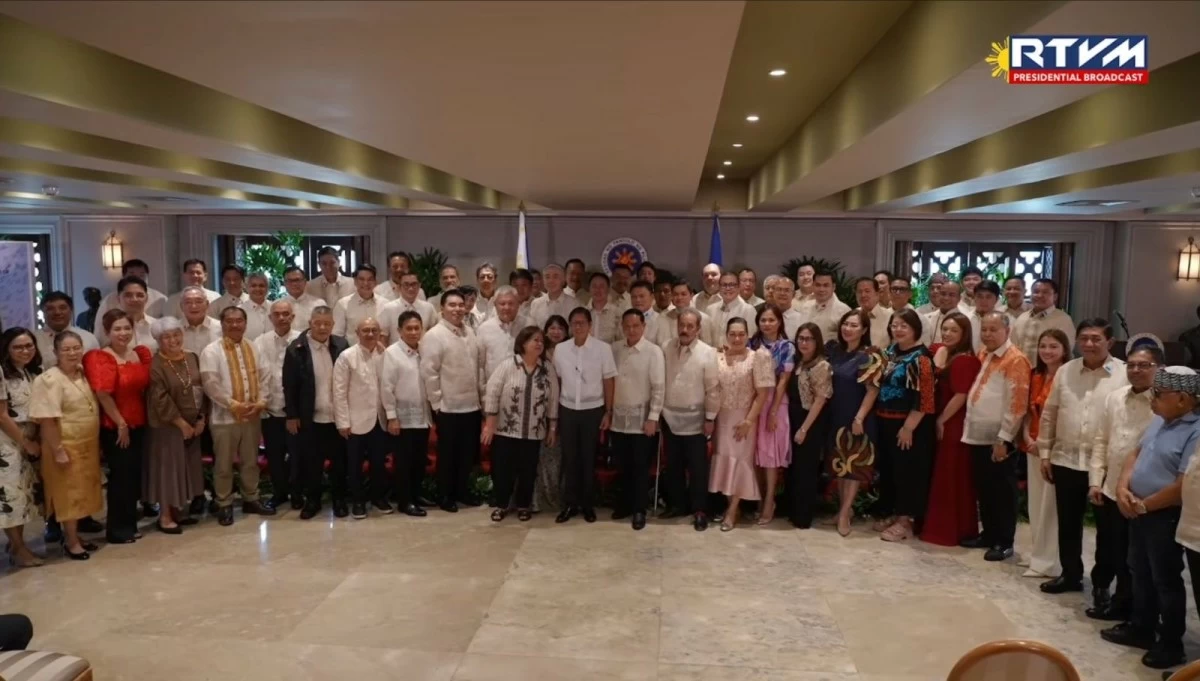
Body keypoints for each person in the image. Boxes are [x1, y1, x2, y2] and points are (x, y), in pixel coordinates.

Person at [1102, 366, 1199, 671]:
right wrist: (1122, 487)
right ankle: (1141, 627)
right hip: (1139, 510)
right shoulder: (1160, 420)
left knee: (1165, 578)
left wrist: (1144, 505)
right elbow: (1135, 454)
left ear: (1182, 399)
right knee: (1138, 569)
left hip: (1164, 515)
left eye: (1159, 394)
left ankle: (1170, 643)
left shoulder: (1195, 431)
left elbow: (1184, 484)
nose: (1152, 400)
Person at [1038, 319, 1128, 595]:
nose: (1089, 344)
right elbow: (1050, 413)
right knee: (1068, 523)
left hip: (1104, 466)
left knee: (1107, 530)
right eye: (1084, 338)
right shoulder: (1066, 371)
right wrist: (1045, 452)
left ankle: (1101, 583)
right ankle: (1071, 574)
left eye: (1096, 339)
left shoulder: (1123, 374)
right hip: (1066, 458)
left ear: (1109, 342)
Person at [1086, 342, 1158, 621]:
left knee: (1138, 559)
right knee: (1113, 549)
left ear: (1158, 368)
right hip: (1111, 486)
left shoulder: (1163, 403)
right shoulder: (1115, 398)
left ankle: (1135, 611)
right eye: (1131, 365)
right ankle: (1118, 602)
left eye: (1144, 365)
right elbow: (1102, 440)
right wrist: (1095, 480)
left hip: (1142, 494)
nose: (1136, 370)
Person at [960, 312, 1030, 561]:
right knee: (985, 488)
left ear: (1007, 331)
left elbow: (1017, 404)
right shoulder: (983, 353)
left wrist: (1004, 438)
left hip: (999, 437)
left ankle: (1004, 540)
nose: (987, 334)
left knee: (1002, 491)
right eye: (984, 329)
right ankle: (988, 534)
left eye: (993, 330)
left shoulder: (1016, 359)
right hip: (978, 433)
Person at [199, 307, 275, 526]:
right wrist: (234, 405)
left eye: (239, 320)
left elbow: (265, 376)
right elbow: (210, 384)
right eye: (229, 321)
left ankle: (251, 497)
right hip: (225, 418)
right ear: (222, 324)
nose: (234, 325)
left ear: (245, 323)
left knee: (250, 460)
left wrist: (261, 402)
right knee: (223, 463)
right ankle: (224, 503)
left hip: (252, 415)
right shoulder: (211, 351)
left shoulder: (253, 347)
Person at [29, 331, 102, 560]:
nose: (72, 353)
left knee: (82, 493)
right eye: (66, 349)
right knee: (67, 496)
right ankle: (70, 541)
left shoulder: (82, 374)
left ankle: (76, 536)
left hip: (86, 446)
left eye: (76, 348)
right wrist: (58, 450)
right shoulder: (49, 379)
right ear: (56, 352)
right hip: (63, 447)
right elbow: (47, 419)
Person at [84, 309, 152, 544]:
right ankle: (117, 529)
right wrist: (121, 422)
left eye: (126, 328)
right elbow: (103, 394)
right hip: (115, 425)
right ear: (106, 331)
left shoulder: (138, 354)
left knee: (133, 476)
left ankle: (130, 523)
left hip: (140, 422)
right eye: (117, 329)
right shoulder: (101, 357)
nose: (122, 333)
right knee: (120, 477)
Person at [482, 326, 559, 523]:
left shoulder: (547, 369)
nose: (539, 343)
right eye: (535, 340)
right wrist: (490, 423)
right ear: (523, 343)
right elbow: (492, 391)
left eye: (541, 340)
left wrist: (552, 427)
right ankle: (501, 505)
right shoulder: (508, 365)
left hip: (533, 432)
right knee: (503, 470)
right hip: (505, 430)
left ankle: (524, 505)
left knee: (528, 471)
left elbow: (553, 399)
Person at [873, 308, 936, 542]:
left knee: (908, 472)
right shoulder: (890, 352)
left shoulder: (921, 358)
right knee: (890, 470)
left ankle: (906, 521)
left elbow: (926, 399)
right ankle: (893, 511)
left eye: (903, 326)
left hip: (909, 426)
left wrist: (908, 427)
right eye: (894, 325)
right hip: (885, 421)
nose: (897, 330)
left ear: (915, 330)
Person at [921, 312, 982, 548]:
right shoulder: (943, 352)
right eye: (945, 329)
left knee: (951, 475)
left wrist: (941, 420)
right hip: (943, 418)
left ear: (964, 334)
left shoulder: (965, 360)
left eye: (953, 331)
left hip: (953, 422)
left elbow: (961, 395)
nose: (947, 334)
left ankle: (949, 530)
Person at [283, 305, 349, 519]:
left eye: (327, 323)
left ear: (333, 324)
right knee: (312, 463)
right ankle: (313, 501)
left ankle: (339, 500)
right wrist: (292, 415)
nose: (322, 327)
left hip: (337, 417)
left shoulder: (341, 344)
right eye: (318, 323)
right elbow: (289, 384)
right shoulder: (297, 348)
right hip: (310, 418)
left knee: (340, 462)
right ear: (310, 323)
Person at [419, 289, 482, 512]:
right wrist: (437, 404)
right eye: (452, 305)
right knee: (447, 456)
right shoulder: (434, 335)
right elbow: (429, 372)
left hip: (472, 405)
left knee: (466, 454)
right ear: (442, 309)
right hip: (448, 406)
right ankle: (444, 495)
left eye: (460, 305)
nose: (457, 309)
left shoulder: (470, 332)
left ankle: (462, 491)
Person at [552, 308, 616, 524]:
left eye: (582, 323)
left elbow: (609, 381)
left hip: (593, 409)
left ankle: (588, 504)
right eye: (574, 323)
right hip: (568, 409)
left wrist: (608, 411)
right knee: (570, 458)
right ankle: (570, 503)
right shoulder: (561, 349)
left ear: (590, 325)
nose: (578, 327)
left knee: (588, 458)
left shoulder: (602, 349)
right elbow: (557, 381)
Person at [709, 317, 773, 531]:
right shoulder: (717, 356)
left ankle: (732, 510)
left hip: (744, 418)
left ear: (748, 335)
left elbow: (762, 393)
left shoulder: (758, 357)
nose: (737, 338)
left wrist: (748, 420)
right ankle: (730, 507)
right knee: (725, 462)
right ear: (726, 335)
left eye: (741, 334)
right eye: (732, 334)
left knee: (740, 461)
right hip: (722, 418)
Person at [144, 317, 207, 533]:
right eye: (166, 337)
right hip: (167, 426)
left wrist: (201, 419)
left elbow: (201, 388)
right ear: (158, 340)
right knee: (168, 471)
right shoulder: (156, 364)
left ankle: (179, 511)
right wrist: (181, 424)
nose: (173, 340)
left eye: (176, 334)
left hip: (192, 423)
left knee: (187, 469)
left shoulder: (192, 357)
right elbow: (159, 399)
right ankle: (165, 516)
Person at [660, 309, 720, 531]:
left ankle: (700, 509)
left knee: (698, 468)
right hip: (669, 416)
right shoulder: (666, 347)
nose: (684, 330)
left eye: (689, 326)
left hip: (696, 420)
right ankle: (677, 505)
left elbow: (713, 389)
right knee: (673, 465)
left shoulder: (708, 352)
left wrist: (710, 417)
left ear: (698, 329)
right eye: (681, 325)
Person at [826, 309, 883, 537]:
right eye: (845, 324)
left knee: (855, 468)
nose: (848, 329)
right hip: (836, 415)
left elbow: (872, 390)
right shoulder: (834, 351)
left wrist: (859, 417)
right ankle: (843, 510)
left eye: (854, 325)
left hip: (858, 417)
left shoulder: (870, 355)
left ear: (864, 330)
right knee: (840, 467)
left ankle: (844, 513)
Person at [1020, 328, 1070, 579]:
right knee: (1035, 503)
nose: (1047, 351)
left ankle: (1049, 561)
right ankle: (1037, 553)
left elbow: (1064, 415)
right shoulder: (1036, 374)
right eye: (1043, 346)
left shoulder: (1068, 377)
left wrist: (1043, 443)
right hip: (1032, 444)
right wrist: (1028, 436)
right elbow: (1029, 411)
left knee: (1050, 506)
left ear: (1064, 350)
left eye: (1054, 346)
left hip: (1053, 448)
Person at [610, 308, 665, 530]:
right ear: (622, 327)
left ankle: (639, 509)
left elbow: (659, 388)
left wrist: (653, 418)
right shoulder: (614, 349)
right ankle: (625, 504)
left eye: (636, 326)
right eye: (627, 326)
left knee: (641, 467)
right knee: (622, 465)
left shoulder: (653, 352)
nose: (631, 330)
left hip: (643, 420)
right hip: (618, 419)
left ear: (644, 327)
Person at [333, 317, 389, 519]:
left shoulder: (384, 354)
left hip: (379, 419)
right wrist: (343, 422)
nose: (370, 334)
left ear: (379, 332)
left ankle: (378, 497)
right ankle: (358, 501)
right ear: (357, 333)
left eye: (374, 329)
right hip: (354, 421)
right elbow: (339, 392)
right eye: (365, 330)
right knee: (354, 464)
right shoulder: (346, 357)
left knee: (378, 462)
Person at [381, 311, 431, 518]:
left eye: (416, 328)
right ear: (399, 331)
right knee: (404, 462)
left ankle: (416, 495)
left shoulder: (425, 351)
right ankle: (404, 501)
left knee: (419, 461)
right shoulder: (392, 353)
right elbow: (386, 387)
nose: (413, 332)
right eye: (408, 328)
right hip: (402, 417)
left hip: (422, 416)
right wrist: (392, 417)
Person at [0, 329, 44, 567]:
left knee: (23, 496)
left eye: (29, 345)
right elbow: (2, 416)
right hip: (7, 443)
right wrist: (25, 442)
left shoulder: (28, 372)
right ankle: (19, 549)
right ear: (7, 349)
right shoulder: (1, 372)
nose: (25, 350)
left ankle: (16, 543)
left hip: (25, 440)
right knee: (11, 498)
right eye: (18, 347)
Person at [253, 300, 301, 510]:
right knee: (275, 456)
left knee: (299, 456)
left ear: (293, 317)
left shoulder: (303, 340)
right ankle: (280, 492)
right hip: (270, 409)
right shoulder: (260, 342)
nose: (281, 318)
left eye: (286, 314)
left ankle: (298, 493)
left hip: (296, 412)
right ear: (270, 317)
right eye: (277, 314)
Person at [749, 304, 794, 525]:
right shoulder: (752, 344)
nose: (767, 324)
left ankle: (769, 501)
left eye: (771, 320)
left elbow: (784, 380)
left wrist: (774, 410)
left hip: (776, 403)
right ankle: (758, 497)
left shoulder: (787, 347)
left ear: (779, 322)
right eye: (763, 320)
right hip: (754, 403)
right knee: (755, 454)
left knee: (770, 456)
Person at [787, 322, 832, 529]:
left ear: (817, 342)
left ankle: (803, 517)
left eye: (809, 339)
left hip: (809, 422)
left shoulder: (821, 365)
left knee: (806, 471)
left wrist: (804, 429)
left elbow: (820, 400)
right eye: (801, 339)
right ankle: (792, 510)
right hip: (793, 418)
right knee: (795, 469)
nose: (804, 343)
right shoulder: (798, 362)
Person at [533, 315, 569, 513]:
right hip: (540, 410)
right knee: (541, 455)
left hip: (565, 409)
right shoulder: (538, 353)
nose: (556, 332)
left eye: (560, 328)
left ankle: (557, 497)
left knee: (559, 455)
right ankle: (539, 498)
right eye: (552, 328)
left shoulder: (572, 351)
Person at [1013, 278, 1076, 366]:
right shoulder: (1022, 318)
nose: (1039, 295)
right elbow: (1013, 347)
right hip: (1022, 371)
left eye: (1045, 292)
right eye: (1036, 291)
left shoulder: (1063, 319)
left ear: (1055, 297)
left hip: (1049, 373)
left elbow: (1067, 351)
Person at [35, 291, 99, 367]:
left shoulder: (88, 338)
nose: (57, 312)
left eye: (62, 308)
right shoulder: (33, 340)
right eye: (50, 309)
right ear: (43, 312)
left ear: (71, 310)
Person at [476, 285, 524, 384]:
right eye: (502, 304)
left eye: (511, 303)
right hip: (493, 387)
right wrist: (483, 391)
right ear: (495, 305)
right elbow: (480, 364)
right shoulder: (484, 329)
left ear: (518, 304)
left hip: (522, 385)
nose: (506, 307)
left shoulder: (528, 325)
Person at [97, 276, 158, 351]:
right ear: (119, 298)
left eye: (140, 295)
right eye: (128, 295)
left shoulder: (157, 325)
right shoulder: (109, 326)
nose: (134, 299)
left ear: (146, 298)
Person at [96, 259, 166, 323]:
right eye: (132, 274)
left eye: (142, 275)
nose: (137, 278)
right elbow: (100, 327)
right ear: (123, 276)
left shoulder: (160, 298)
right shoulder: (110, 300)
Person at [333, 265, 386, 343]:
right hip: (352, 353)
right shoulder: (343, 304)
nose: (366, 283)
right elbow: (337, 336)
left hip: (379, 353)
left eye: (370, 279)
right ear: (355, 281)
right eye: (361, 279)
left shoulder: (385, 304)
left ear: (375, 281)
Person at [656, 281, 717, 348]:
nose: (679, 297)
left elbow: (707, 346)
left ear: (691, 296)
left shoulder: (703, 318)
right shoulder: (664, 317)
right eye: (676, 294)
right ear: (672, 297)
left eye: (683, 294)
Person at [796, 270, 849, 342]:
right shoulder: (806, 306)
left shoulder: (843, 310)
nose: (821, 289)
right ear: (813, 286)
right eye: (818, 285)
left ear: (833, 287)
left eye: (826, 285)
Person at [381, 272, 437, 340]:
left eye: (414, 284)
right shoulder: (388, 309)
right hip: (396, 349)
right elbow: (383, 336)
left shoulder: (429, 308)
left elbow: (434, 334)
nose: (410, 288)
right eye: (406, 284)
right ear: (399, 287)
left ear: (419, 285)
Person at [706, 272, 757, 339]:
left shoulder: (748, 310)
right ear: (719, 287)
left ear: (739, 287)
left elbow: (750, 339)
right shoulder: (710, 310)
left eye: (732, 285)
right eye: (724, 285)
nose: (728, 288)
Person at [529, 264, 576, 328]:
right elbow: (532, 330)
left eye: (555, 277)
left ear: (564, 280)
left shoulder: (574, 304)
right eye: (547, 277)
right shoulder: (536, 304)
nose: (551, 281)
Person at [179, 286, 222, 356]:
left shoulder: (221, 327)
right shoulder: (174, 330)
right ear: (181, 306)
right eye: (188, 302)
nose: (193, 306)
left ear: (207, 304)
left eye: (198, 302)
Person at [280, 266, 323, 332]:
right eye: (290, 281)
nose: (294, 284)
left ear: (305, 282)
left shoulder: (319, 304)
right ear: (284, 283)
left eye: (297, 280)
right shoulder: (277, 305)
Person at [964, 281, 1002, 352]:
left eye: (988, 297)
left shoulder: (1002, 321)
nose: (983, 300)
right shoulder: (966, 319)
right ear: (974, 298)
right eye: (980, 296)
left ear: (996, 300)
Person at [584, 273, 621, 344]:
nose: (598, 290)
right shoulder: (582, 312)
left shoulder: (617, 313)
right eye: (594, 286)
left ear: (608, 289)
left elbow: (621, 340)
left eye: (602, 286)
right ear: (589, 289)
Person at [854, 277, 890, 349]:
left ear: (877, 294)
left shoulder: (890, 316)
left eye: (867, 291)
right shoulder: (852, 316)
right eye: (860, 292)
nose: (863, 295)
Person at [923, 281, 962, 346]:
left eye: (951, 295)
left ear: (959, 298)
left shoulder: (965, 319)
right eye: (943, 294)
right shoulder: (927, 318)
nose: (946, 298)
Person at [241, 272, 272, 340]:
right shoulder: (240, 310)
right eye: (253, 286)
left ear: (267, 288)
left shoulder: (274, 308)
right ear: (247, 288)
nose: (258, 289)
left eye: (261, 286)